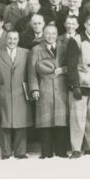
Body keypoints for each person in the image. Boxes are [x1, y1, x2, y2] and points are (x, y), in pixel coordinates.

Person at [0, 30, 32, 159]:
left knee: (21, 122)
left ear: (18, 40)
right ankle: (6, 152)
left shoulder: (26, 53)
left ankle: (20, 151)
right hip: (3, 93)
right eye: (10, 38)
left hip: (21, 93)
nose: (12, 41)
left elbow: (30, 74)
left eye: (15, 39)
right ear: (5, 39)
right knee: (4, 123)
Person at [28, 23, 70, 159]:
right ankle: (46, 153)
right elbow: (32, 71)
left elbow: (72, 65)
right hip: (44, 88)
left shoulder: (64, 47)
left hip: (61, 89)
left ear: (57, 35)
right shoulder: (36, 49)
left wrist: (64, 69)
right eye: (47, 33)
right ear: (43, 35)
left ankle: (61, 151)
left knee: (61, 121)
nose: (50, 36)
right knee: (45, 121)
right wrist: (34, 88)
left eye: (53, 33)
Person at [66, 14, 90, 156]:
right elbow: (71, 64)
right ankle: (76, 147)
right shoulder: (76, 40)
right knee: (77, 117)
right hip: (80, 83)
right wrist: (74, 85)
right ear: (85, 25)